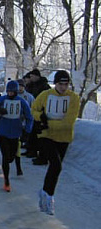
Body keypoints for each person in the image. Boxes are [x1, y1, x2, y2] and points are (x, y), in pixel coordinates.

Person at [32, 70, 79, 215]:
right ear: (55, 83)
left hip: (63, 137)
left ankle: (45, 192)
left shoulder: (74, 98)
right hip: (46, 136)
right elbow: (34, 109)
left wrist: (47, 123)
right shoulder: (45, 95)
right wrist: (40, 117)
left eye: (66, 84)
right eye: (60, 84)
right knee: (56, 165)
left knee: (54, 168)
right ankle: (49, 197)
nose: (63, 87)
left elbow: (68, 122)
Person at [0, 80, 33, 192]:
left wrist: (27, 131)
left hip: (16, 133)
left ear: (16, 92)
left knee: (11, 157)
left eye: (12, 92)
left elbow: (29, 117)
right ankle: (6, 181)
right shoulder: (3, 99)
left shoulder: (22, 101)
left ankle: (9, 170)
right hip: (3, 132)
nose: (10, 94)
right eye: (8, 92)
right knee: (5, 157)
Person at [25, 68, 51, 165]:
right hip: (33, 111)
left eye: (32, 76)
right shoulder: (32, 85)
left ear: (37, 76)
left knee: (40, 134)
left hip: (41, 113)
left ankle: (41, 156)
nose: (30, 78)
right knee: (32, 133)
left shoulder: (44, 86)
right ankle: (32, 150)